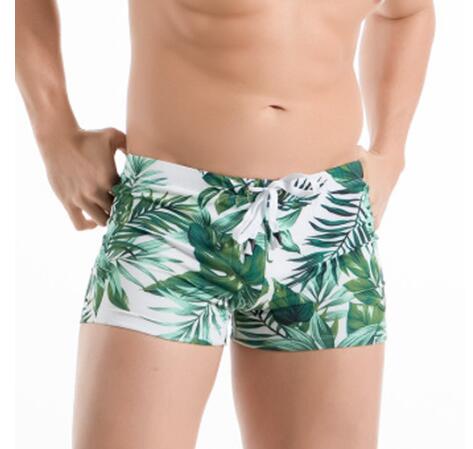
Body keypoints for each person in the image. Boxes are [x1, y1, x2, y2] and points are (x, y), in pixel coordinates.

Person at [16, 0, 435, 448]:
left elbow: (407, 12)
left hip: (327, 227)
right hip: (175, 215)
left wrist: (392, 150)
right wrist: (54, 135)